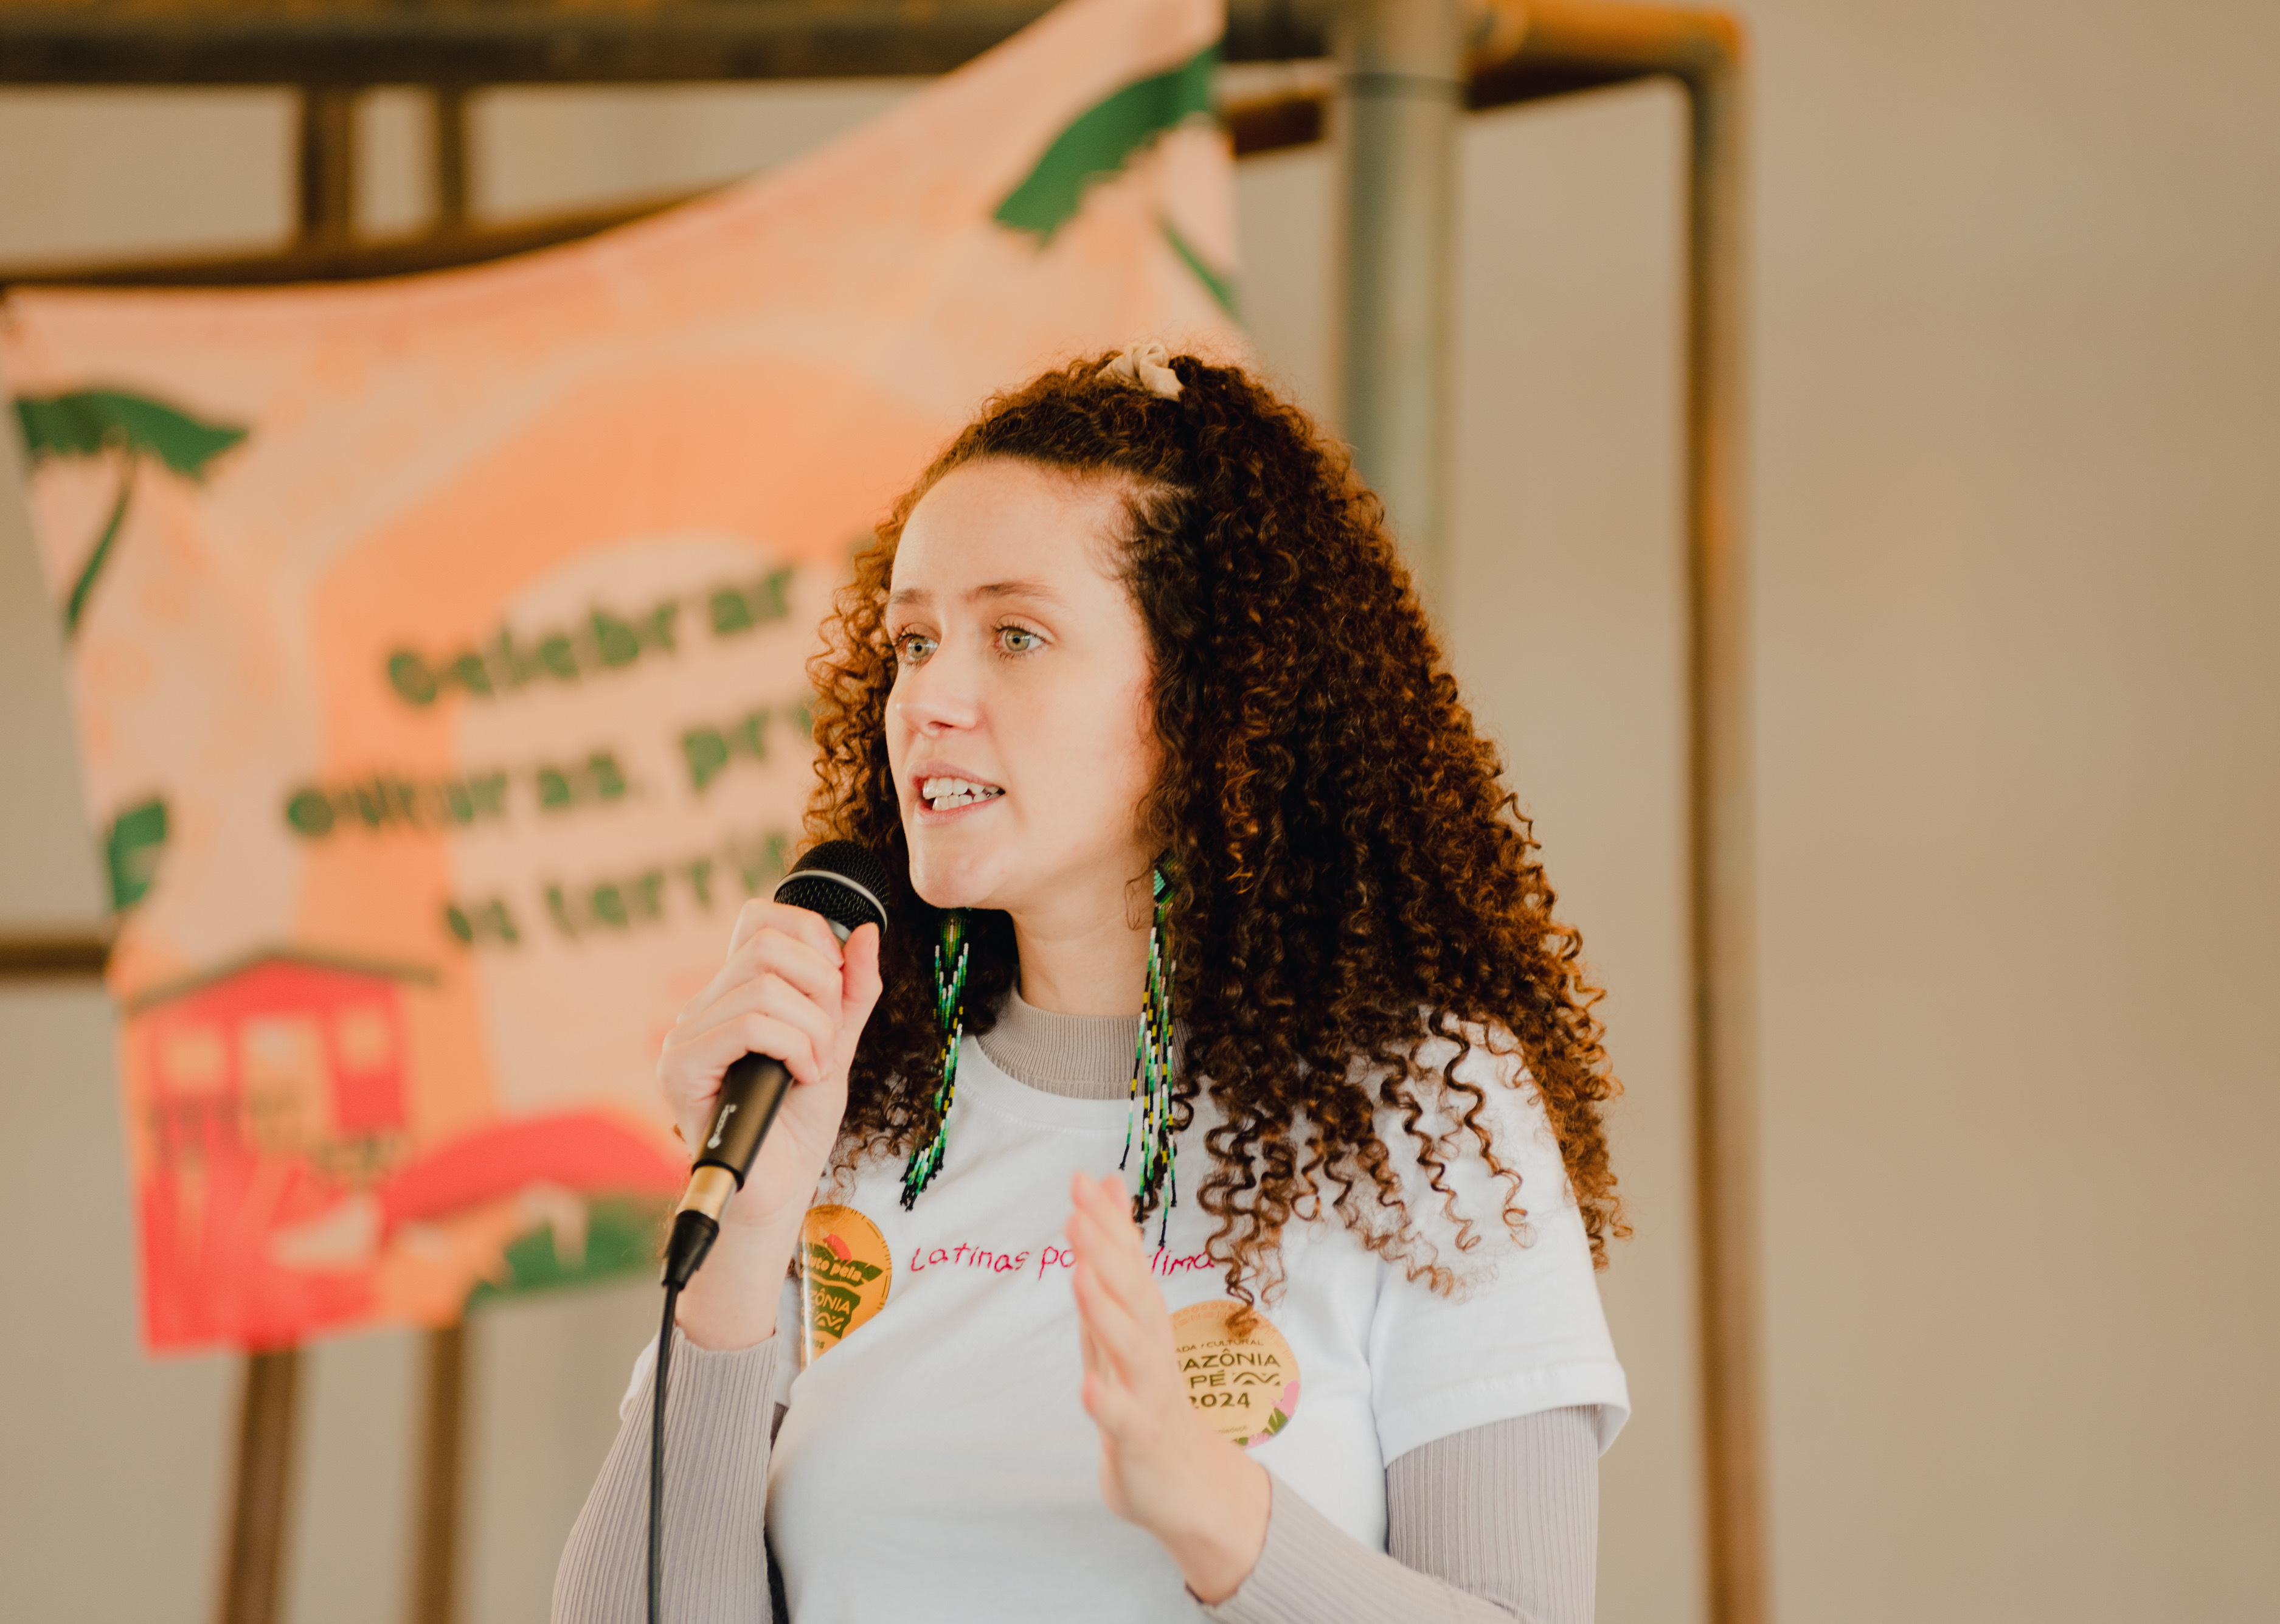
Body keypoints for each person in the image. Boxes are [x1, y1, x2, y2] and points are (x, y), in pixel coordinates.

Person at [553, 345, 1631, 1624]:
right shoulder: (844, 1108)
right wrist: (740, 1250)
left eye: (1016, 635)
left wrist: (1218, 1515)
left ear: (1210, 696)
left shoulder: (1421, 1118)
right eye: (911, 641)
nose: (929, 701)